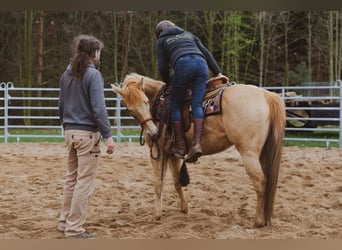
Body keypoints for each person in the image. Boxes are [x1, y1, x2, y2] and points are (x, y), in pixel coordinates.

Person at [57, 34, 115, 238]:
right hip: (86, 135)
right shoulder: (93, 75)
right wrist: (108, 135)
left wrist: (67, 125)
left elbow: (61, 106)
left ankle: (65, 222)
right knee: (84, 182)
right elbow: (99, 109)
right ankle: (74, 228)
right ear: (94, 53)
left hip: (70, 132)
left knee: (71, 179)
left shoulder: (67, 75)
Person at [156, 20, 226, 163]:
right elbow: (206, 52)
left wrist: (167, 81)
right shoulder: (188, 34)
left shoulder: (162, 40)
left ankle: (181, 146)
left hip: (182, 65)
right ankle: (196, 144)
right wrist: (218, 72)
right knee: (197, 104)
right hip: (201, 65)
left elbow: (162, 66)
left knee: (175, 105)